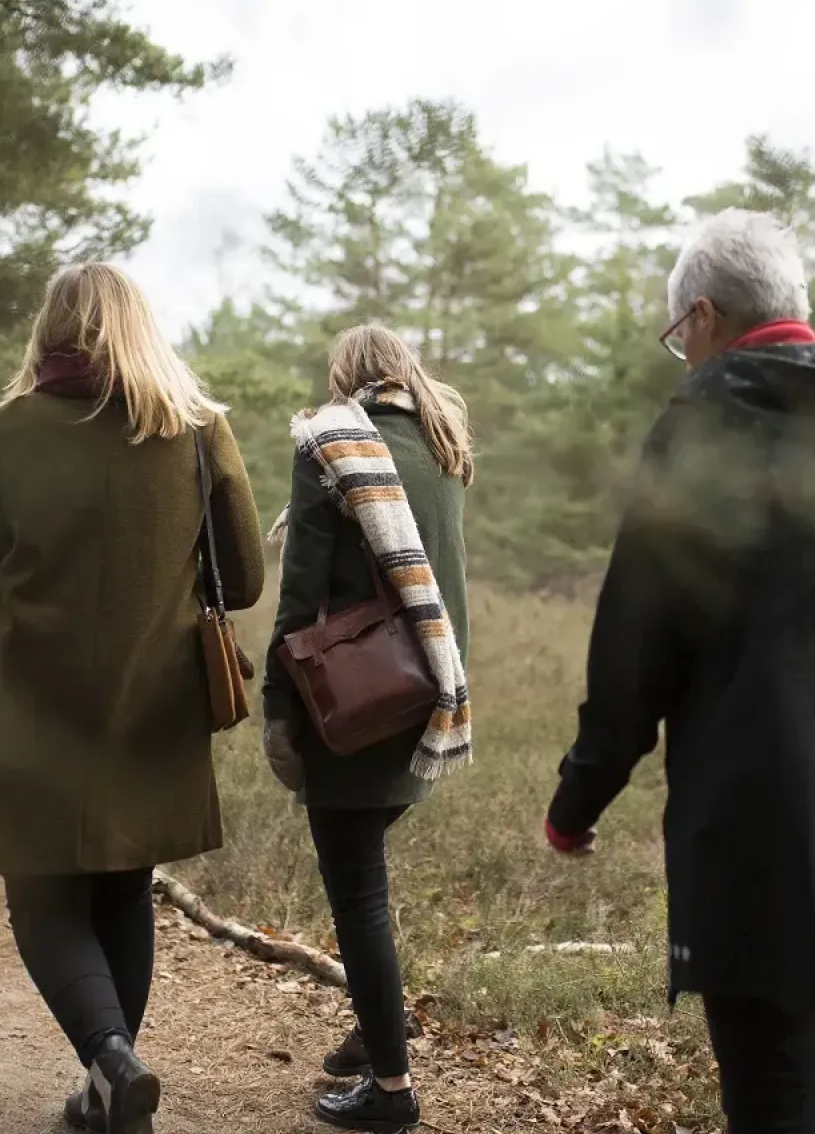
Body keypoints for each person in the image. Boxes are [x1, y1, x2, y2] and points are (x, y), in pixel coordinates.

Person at [545, 209, 815, 1134]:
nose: (680, 355)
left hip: (752, 803)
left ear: (707, 317)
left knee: (766, 1069)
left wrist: (578, 800)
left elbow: (637, 642)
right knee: (802, 1039)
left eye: (678, 333)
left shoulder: (702, 429)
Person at [0, 264, 265, 1133]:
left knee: (40, 896)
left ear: (53, 330)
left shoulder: (11, 431)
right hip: (155, 710)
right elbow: (246, 578)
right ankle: (109, 1088)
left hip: (31, 708)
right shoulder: (196, 431)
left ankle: (111, 1063)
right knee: (123, 889)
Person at [262, 323, 471, 1133]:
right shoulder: (443, 443)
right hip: (432, 692)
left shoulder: (330, 444)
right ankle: (375, 1023)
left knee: (359, 896)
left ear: (347, 375)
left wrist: (279, 711)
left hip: (355, 701)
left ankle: (392, 1089)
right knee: (369, 879)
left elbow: (298, 594)